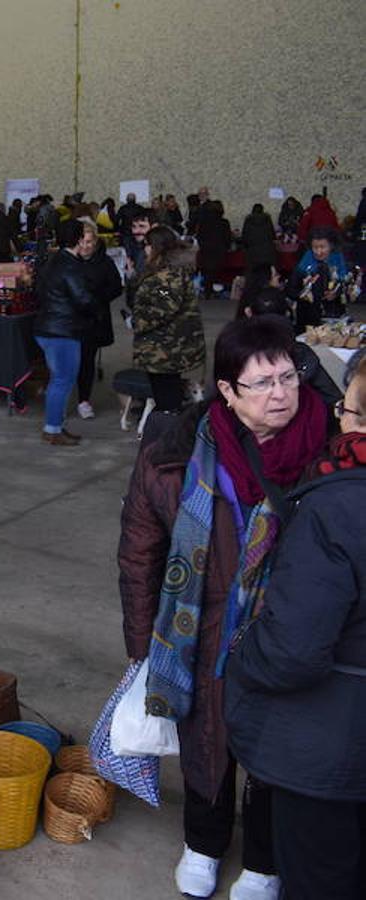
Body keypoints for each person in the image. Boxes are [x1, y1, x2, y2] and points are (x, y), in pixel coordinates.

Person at [119, 315, 330, 900]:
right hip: (201, 627)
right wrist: (143, 649)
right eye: (261, 384)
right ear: (228, 392)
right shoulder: (176, 454)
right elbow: (140, 555)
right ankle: (204, 843)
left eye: (288, 377)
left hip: (290, 632)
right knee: (205, 739)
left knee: (276, 747)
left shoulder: (330, 448)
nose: (281, 394)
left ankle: (264, 861)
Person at [224, 349, 365, 900]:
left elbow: (293, 651)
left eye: (347, 410)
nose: (280, 393)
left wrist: (242, 654)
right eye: (263, 381)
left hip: (332, 745)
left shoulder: (335, 505)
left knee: (321, 874)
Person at [31, 219, 97, 446]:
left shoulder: (52, 261)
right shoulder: (71, 266)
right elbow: (83, 299)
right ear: (79, 239)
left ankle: (56, 426)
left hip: (48, 327)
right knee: (62, 380)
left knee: (58, 380)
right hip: (62, 331)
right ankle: (52, 429)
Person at [132, 225, 206, 415]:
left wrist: (137, 322)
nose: (145, 249)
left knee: (167, 396)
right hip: (169, 345)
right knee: (166, 390)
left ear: (156, 247)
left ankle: (169, 430)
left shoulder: (167, 277)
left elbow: (166, 303)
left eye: (147, 245)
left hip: (167, 347)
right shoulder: (168, 271)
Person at [75, 222, 124, 420]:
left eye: (89, 242)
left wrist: (97, 299)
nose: (85, 246)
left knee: (87, 361)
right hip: (69, 320)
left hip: (93, 321)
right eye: (81, 241)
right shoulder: (69, 260)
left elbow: (116, 287)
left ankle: (83, 400)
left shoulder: (105, 263)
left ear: (95, 242)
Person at [289, 229, 351, 330]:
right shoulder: (304, 263)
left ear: (331, 246)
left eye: (322, 247)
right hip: (308, 317)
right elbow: (291, 290)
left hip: (333, 315)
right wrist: (305, 294)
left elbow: (347, 286)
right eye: (315, 247)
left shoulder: (338, 260)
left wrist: (336, 293)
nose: (318, 252)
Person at [196, 200, 232, 298]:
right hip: (219, 250)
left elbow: (199, 236)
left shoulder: (203, 222)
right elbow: (227, 237)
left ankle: (208, 291)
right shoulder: (224, 222)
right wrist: (226, 247)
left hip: (206, 250)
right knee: (215, 271)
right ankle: (213, 291)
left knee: (207, 271)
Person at [240, 204, 277, 272]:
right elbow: (272, 235)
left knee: (253, 274)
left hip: (252, 253)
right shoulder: (267, 219)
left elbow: (244, 237)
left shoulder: (248, 220)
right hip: (266, 252)